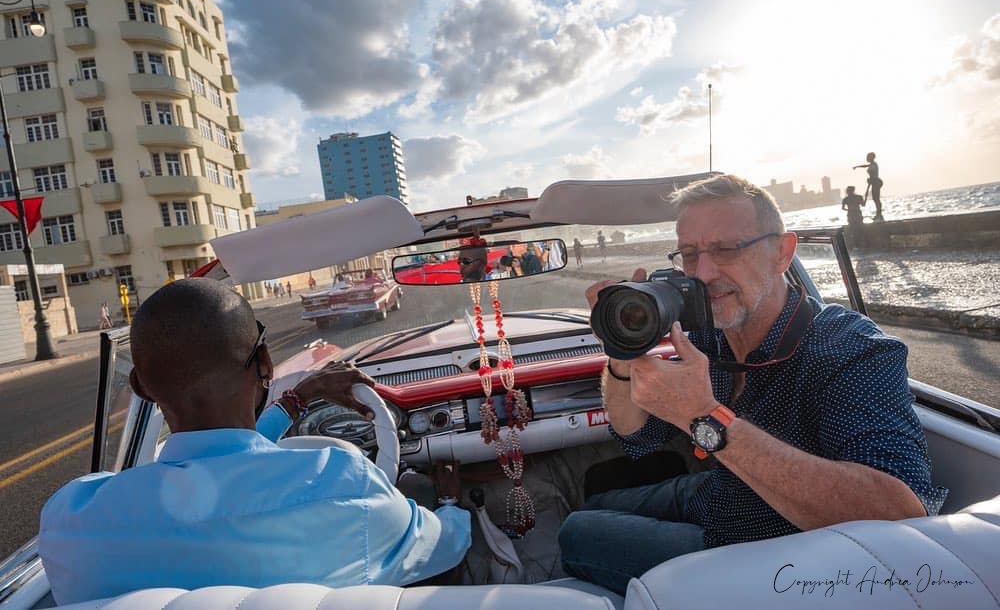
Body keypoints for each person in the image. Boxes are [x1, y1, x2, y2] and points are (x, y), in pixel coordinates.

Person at [558, 174, 945, 595]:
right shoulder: (709, 337)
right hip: (723, 491)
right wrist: (622, 350)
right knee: (600, 501)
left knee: (576, 531)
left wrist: (703, 417)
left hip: (767, 553)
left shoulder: (849, 349)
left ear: (783, 253)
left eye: (726, 249)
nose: (703, 274)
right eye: (689, 254)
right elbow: (636, 434)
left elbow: (903, 519)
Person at [38, 279, 471, 605]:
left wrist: (296, 401)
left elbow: (229, 466)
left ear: (139, 386)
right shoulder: (344, 484)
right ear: (265, 361)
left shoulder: (71, 521)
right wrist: (451, 503)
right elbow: (443, 547)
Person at [853, 151, 883, 221]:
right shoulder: (872, 164)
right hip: (873, 182)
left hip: (876, 182)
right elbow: (865, 166)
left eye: (868, 157)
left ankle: (879, 214)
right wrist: (857, 167)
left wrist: (870, 181)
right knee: (875, 199)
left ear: (871, 157)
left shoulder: (874, 165)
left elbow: (873, 175)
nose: (867, 158)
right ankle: (878, 213)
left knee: (876, 199)